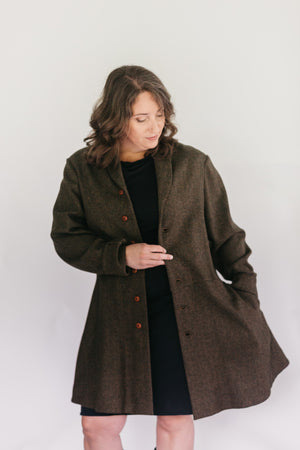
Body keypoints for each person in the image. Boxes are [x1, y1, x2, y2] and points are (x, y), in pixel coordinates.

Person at [50, 65, 289, 450]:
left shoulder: (193, 165)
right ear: (114, 119)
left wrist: (247, 297)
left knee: (174, 422)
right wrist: (120, 254)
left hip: (185, 318)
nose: (154, 126)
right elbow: (66, 237)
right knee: (98, 427)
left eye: (159, 115)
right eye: (141, 118)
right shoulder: (82, 169)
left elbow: (227, 238)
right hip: (116, 318)